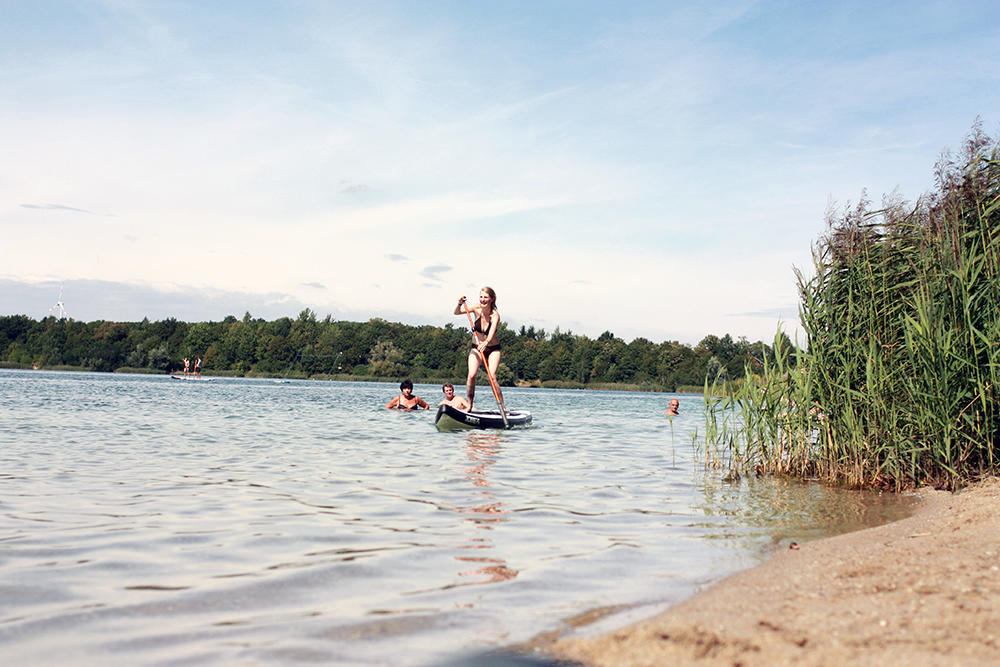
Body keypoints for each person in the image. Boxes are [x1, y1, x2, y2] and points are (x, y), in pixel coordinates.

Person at [455, 287, 503, 409]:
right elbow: (457, 312)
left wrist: (486, 342)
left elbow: (492, 332)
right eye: (481, 297)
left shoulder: (494, 315)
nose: (482, 299)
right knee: (471, 375)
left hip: (492, 348)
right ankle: (470, 404)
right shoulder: (475, 308)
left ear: (492, 299)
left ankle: (502, 407)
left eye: (485, 297)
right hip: (476, 347)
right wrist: (459, 303)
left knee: (491, 376)